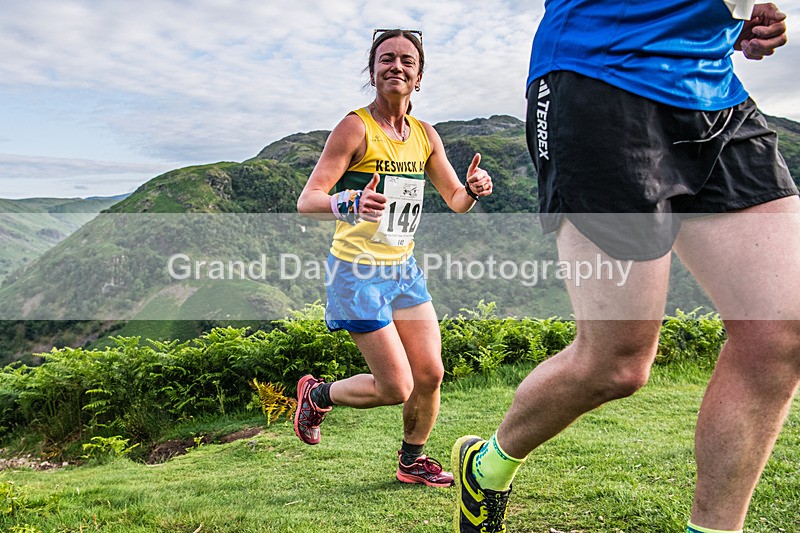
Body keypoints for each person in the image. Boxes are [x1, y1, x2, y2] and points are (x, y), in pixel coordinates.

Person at [453, 2, 797, 532]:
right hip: (599, 76)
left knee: (781, 332)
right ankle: (487, 465)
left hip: (716, 94)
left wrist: (728, 20)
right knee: (616, 365)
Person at [295, 28, 493, 487]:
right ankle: (317, 394)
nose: (396, 67)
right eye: (386, 59)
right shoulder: (354, 127)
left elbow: (456, 200)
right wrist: (348, 203)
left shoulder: (425, 136)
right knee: (395, 386)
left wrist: (475, 189)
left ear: (419, 76)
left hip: (403, 269)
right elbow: (308, 200)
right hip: (357, 273)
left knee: (429, 373)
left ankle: (412, 461)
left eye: (407, 60)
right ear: (373, 71)